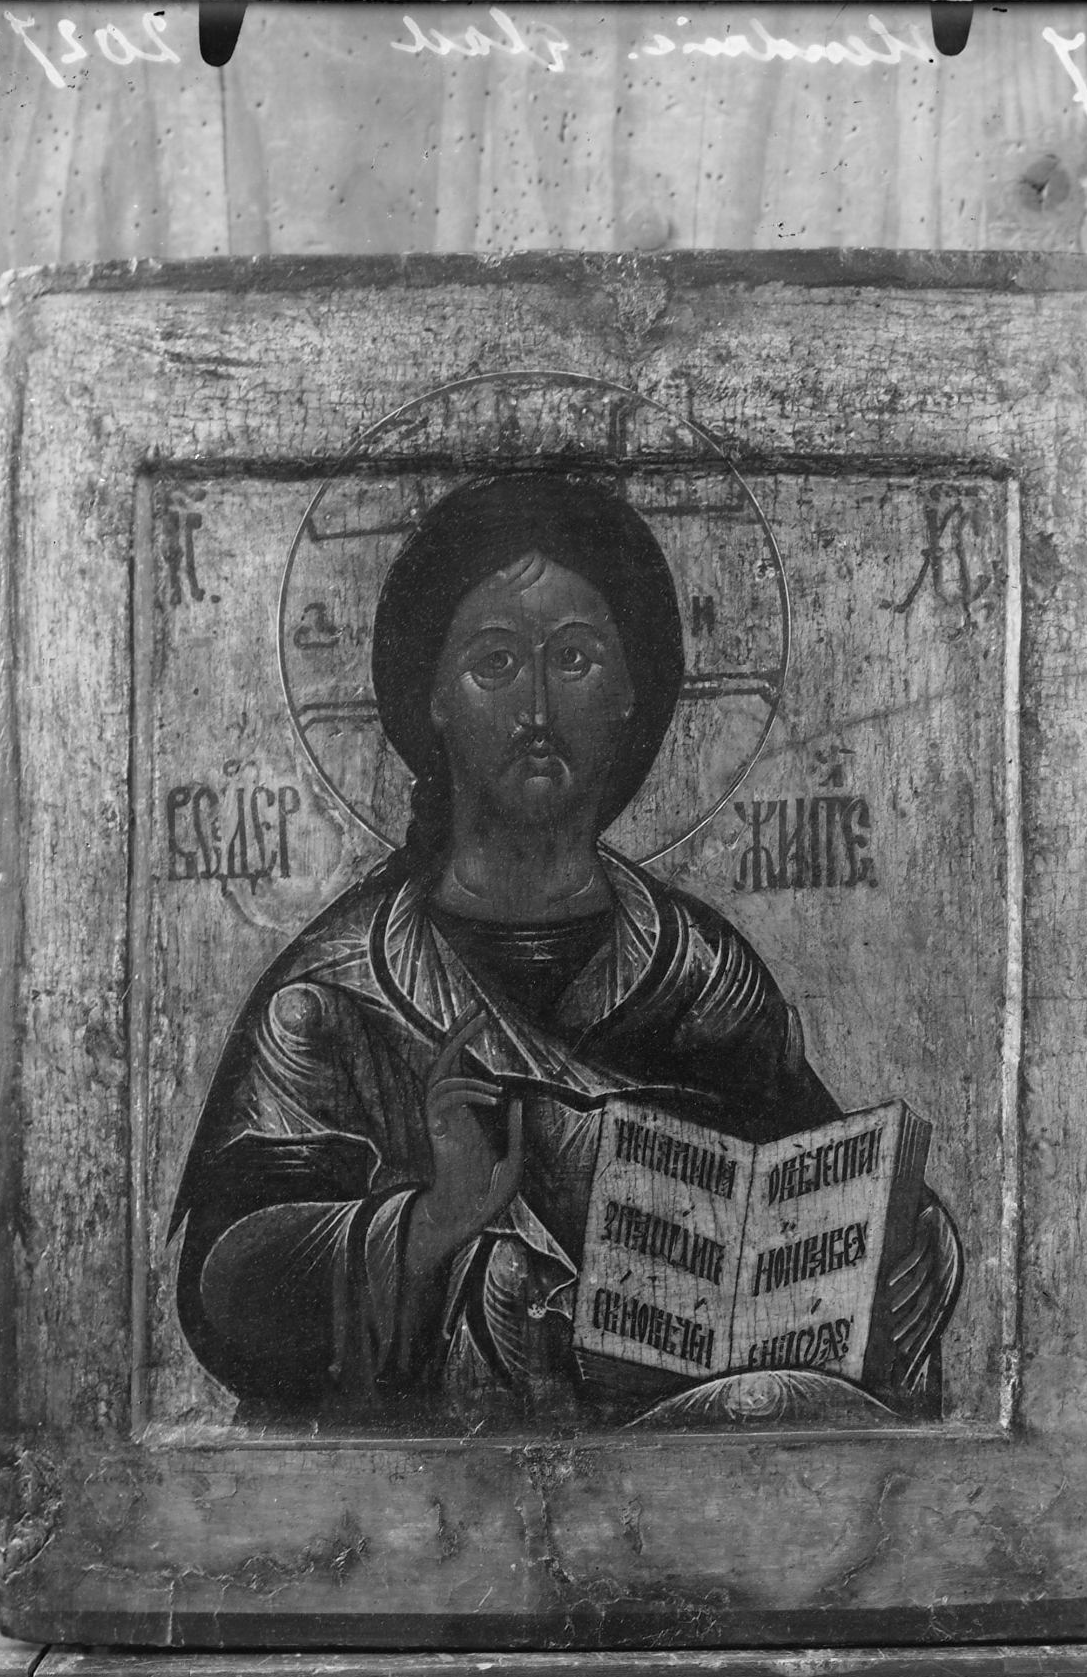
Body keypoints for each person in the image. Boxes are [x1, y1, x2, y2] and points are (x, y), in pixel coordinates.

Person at [170, 473, 960, 1430]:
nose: (537, 708)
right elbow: (225, 1294)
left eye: (576, 659)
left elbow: (816, 1203)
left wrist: (905, 1241)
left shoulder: (699, 975)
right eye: (495, 663)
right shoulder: (332, 1000)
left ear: (631, 692)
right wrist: (431, 1223)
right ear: (433, 697)